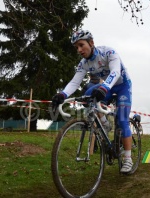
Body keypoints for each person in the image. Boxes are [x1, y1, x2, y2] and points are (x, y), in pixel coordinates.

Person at [52, 30, 133, 173]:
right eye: (76, 47)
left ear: (91, 43)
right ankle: (104, 124)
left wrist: (104, 87)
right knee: (86, 96)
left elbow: (115, 72)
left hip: (122, 86)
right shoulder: (83, 63)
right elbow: (75, 82)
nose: (79, 50)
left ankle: (128, 158)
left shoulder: (108, 52)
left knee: (122, 120)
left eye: (81, 45)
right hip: (107, 85)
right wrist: (63, 94)